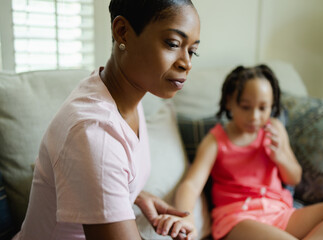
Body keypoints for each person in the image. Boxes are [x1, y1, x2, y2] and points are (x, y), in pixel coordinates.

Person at [12, 0, 200, 239]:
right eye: (173, 44)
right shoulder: (95, 131)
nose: (187, 63)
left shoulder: (119, 95)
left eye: (192, 50)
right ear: (122, 32)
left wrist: (132, 196)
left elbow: (92, 173)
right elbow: (99, 155)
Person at [156, 65, 323, 240]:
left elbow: (294, 176)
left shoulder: (275, 128)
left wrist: (280, 156)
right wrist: (187, 217)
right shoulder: (215, 140)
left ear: (272, 106)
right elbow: (191, 184)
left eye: (263, 108)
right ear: (229, 102)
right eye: (245, 107)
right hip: (238, 219)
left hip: (281, 213)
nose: (254, 116)